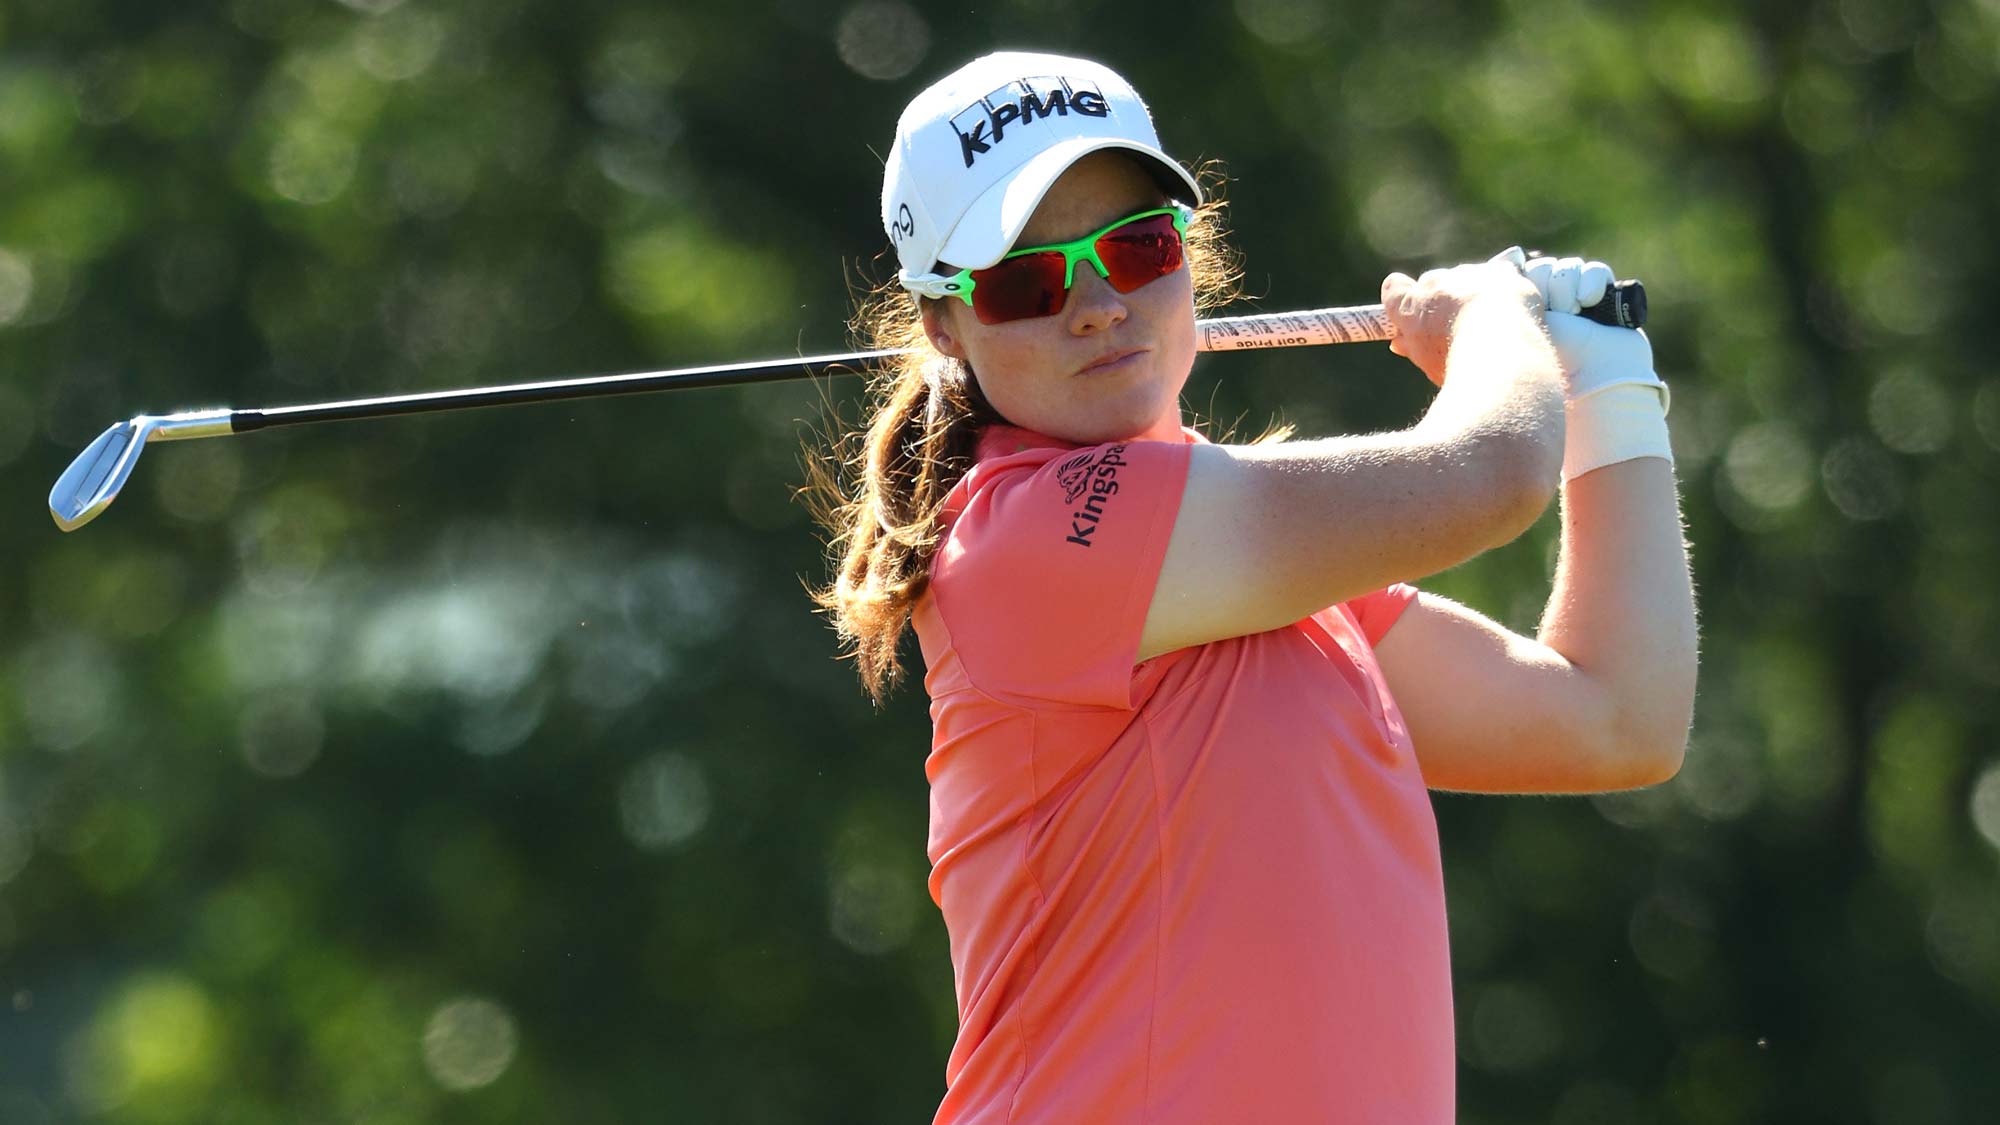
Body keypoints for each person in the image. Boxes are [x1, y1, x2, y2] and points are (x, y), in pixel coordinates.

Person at [808, 50, 1698, 1124]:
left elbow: (1617, 717)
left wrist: (1608, 383)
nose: (1096, 305)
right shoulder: (1020, 541)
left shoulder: (1283, 587)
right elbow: (1492, 474)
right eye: (1024, 282)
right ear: (943, 324)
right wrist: (1495, 320)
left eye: (1135, 248)